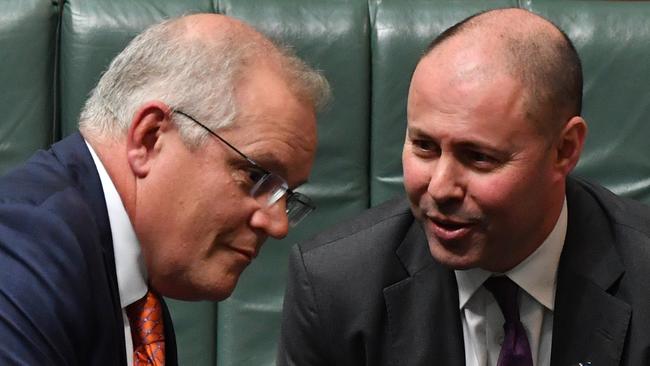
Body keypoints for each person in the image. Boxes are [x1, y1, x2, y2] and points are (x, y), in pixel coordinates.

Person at [278, 8, 650, 366]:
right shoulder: (333, 286)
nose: (440, 189)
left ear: (564, 150)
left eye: (478, 157)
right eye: (424, 147)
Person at [0, 13, 329, 365]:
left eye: (287, 195)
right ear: (149, 138)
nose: (278, 225)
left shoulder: (132, 288)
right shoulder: (21, 251)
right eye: (255, 176)